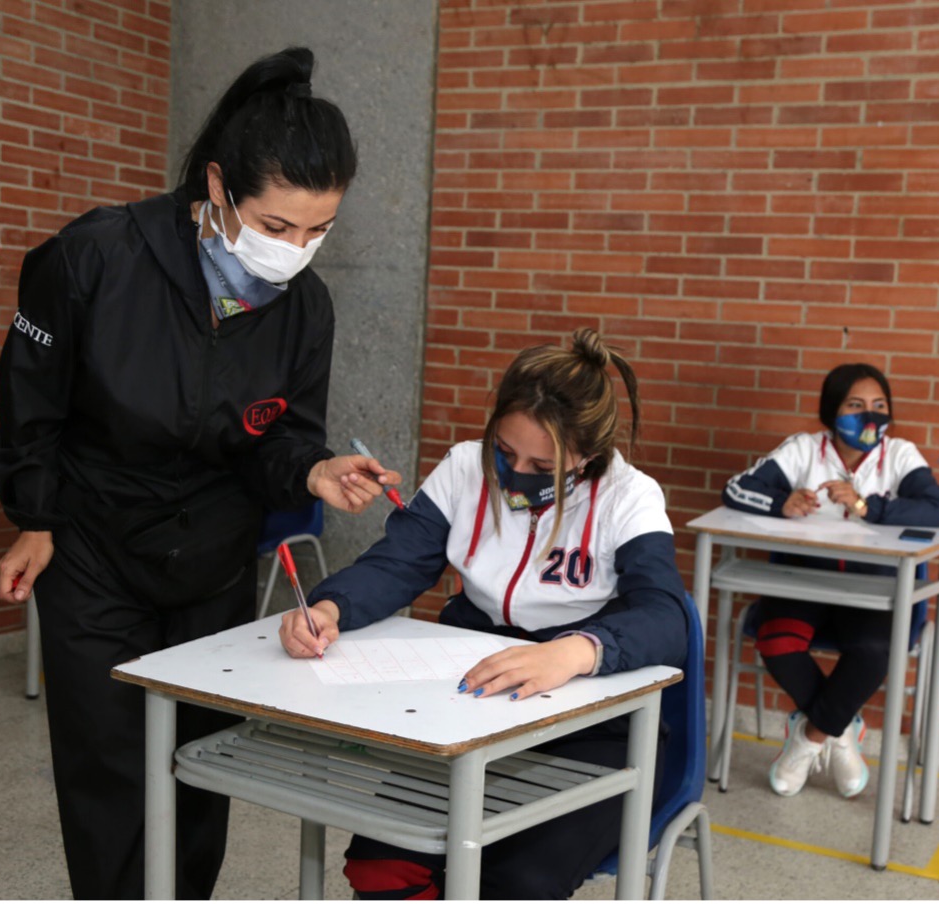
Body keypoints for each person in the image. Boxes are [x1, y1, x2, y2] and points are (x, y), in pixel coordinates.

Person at [0, 47, 401, 900]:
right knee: (106, 771)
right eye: (277, 227)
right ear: (217, 186)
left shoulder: (303, 309)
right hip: (93, 546)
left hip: (211, 558)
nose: (296, 250)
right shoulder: (96, 257)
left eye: (319, 230)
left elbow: (276, 439)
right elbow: (30, 401)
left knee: (199, 765)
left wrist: (315, 470)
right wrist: (34, 516)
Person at [279, 329, 689, 900]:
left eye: (541, 464)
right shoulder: (464, 468)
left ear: (587, 457)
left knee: (516, 880)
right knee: (383, 865)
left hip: (590, 724)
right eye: (505, 451)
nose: (515, 472)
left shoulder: (629, 495)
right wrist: (329, 607)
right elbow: (397, 563)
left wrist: (571, 651)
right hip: (469, 708)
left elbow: (667, 616)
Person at [721, 362, 939, 800]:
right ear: (832, 410)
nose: (869, 417)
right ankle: (839, 730)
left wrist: (868, 506)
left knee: (876, 650)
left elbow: (936, 511)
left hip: (872, 588)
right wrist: (780, 503)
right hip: (801, 579)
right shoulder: (804, 449)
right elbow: (735, 490)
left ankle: (809, 737)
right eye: (856, 405)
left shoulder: (900, 455)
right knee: (776, 640)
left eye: (879, 406)